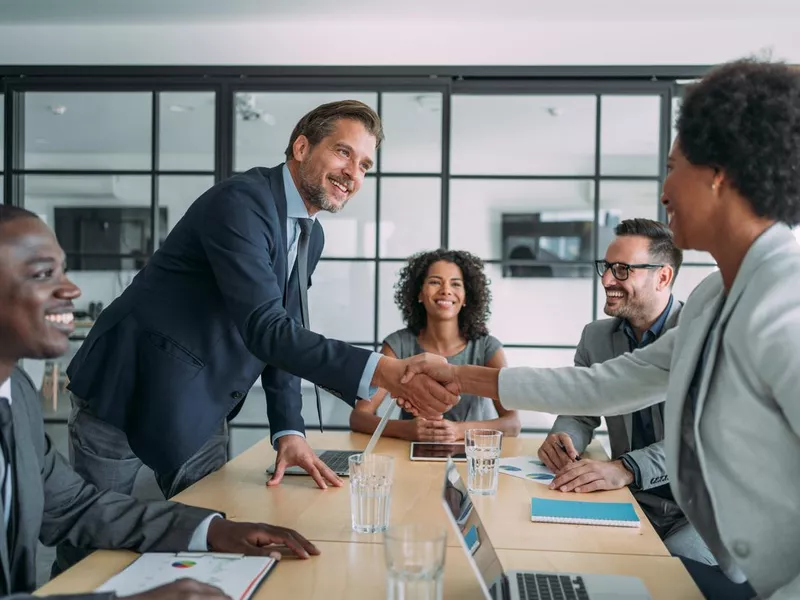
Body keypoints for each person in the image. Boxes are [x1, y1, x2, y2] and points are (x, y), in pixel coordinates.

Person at [400, 59, 800, 600]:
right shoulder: (713, 299)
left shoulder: (788, 303)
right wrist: (459, 377)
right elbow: (601, 386)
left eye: (673, 167)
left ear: (719, 174)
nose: (664, 191)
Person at [60, 100, 458, 572]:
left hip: (201, 400)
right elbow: (265, 329)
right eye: (343, 153)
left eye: (365, 165)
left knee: (211, 536)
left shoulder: (312, 234)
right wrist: (386, 372)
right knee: (91, 541)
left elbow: (284, 330)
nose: (354, 172)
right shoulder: (241, 202)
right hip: (127, 388)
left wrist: (288, 428)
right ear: (302, 145)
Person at [0, 205, 319, 599]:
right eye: (42, 273)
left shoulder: (16, 395)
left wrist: (212, 530)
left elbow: (72, 506)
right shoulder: (239, 204)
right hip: (114, 396)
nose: (71, 289)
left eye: (62, 269)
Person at [538, 218, 712, 565]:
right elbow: (579, 408)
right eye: (605, 267)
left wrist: (627, 467)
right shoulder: (596, 337)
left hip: (703, 511)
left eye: (621, 270)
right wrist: (564, 437)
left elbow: (703, 439)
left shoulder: (702, 336)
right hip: (628, 500)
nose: (605, 280)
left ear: (662, 276)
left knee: (667, 574)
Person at [350, 249, 519, 441]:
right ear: (419, 293)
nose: (446, 290)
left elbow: (512, 423)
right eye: (434, 282)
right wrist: (406, 430)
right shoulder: (398, 345)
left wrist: (458, 430)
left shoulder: (487, 348)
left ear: (465, 297)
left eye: (455, 283)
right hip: (410, 458)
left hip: (472, 459)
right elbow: (359, 417)